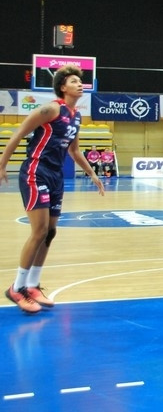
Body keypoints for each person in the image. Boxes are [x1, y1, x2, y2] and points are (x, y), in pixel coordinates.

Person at [0, 65, 105, 313]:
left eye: (80, 80)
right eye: (73, 81)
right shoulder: (50, 109)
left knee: (50, 232)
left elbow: (74, 150)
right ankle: (17, 287)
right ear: (62, 87)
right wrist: (3, 164)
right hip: (36, 172)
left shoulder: (76, 116)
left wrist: (92, 174)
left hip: (57, 176)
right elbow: (18, 134)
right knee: (38, 231)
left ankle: (33, 285)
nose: (80, 83)